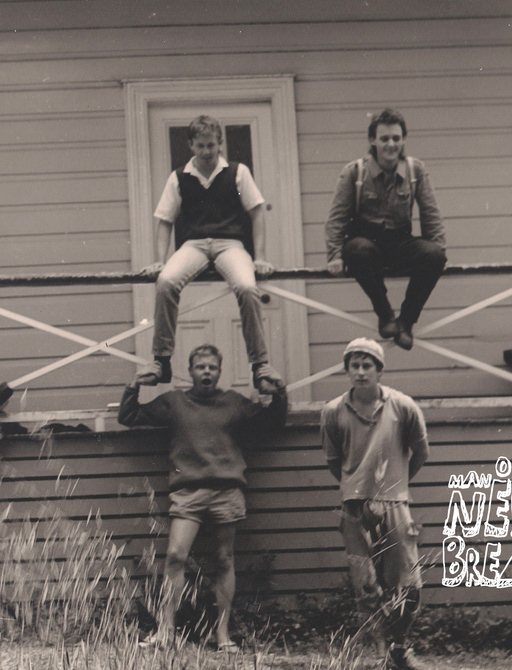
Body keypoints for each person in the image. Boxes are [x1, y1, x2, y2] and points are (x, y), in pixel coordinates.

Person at [119, 343, 287, 651]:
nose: (206, 372)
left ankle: (222, 635)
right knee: (175, 556)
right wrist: (134, 384)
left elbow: (274, 421)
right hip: (188, 492)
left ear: (219, 371)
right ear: (191, 371)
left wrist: (280, 390)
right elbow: (127, 416)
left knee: (224, 559)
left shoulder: (234, 403)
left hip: (227, 492)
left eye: (212, 367)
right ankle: (166, 631)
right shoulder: (174, 402)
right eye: (200, 367)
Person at [138, 115, 283, 394]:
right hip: (193, 244)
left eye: (211, 145)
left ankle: (260, 365)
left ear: (220, 144)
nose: (206, 152)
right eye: (201, 146)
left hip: (230, 244)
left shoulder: (238, 172)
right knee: (166, 282)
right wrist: (159, 261)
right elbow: (165, 220)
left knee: (246, 287)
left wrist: (260, 256)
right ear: (191, 145)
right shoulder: (179, 177)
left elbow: (257, 213)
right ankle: (161, 360)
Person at [321, 338, 430, 670]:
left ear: (379, 370)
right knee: (366, 586)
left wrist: (394, 486)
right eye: (354, 365)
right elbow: (334, 461)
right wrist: (357, 488)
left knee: (408, 584)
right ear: (347, 370)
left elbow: (421, 452)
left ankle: (400, 648)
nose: (360, 372)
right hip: (355, 508)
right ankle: (379, 653)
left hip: (394, 504)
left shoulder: (403, 406)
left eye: (367, 365)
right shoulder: (333, 411)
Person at [325, 109, 447, 350]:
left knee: (435, 255)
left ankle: (406, 322)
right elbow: (336, 218)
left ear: (403, 140)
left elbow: (431, 213)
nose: (391, 145)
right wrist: (334, 255)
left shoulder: (415, 170)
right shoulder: (354, 172)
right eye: (384, 139)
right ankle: (385, 315)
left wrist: (438, 252)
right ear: (373, 140)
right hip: (366, 243)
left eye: (396, 138)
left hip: (400, 240)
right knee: (358, 250)